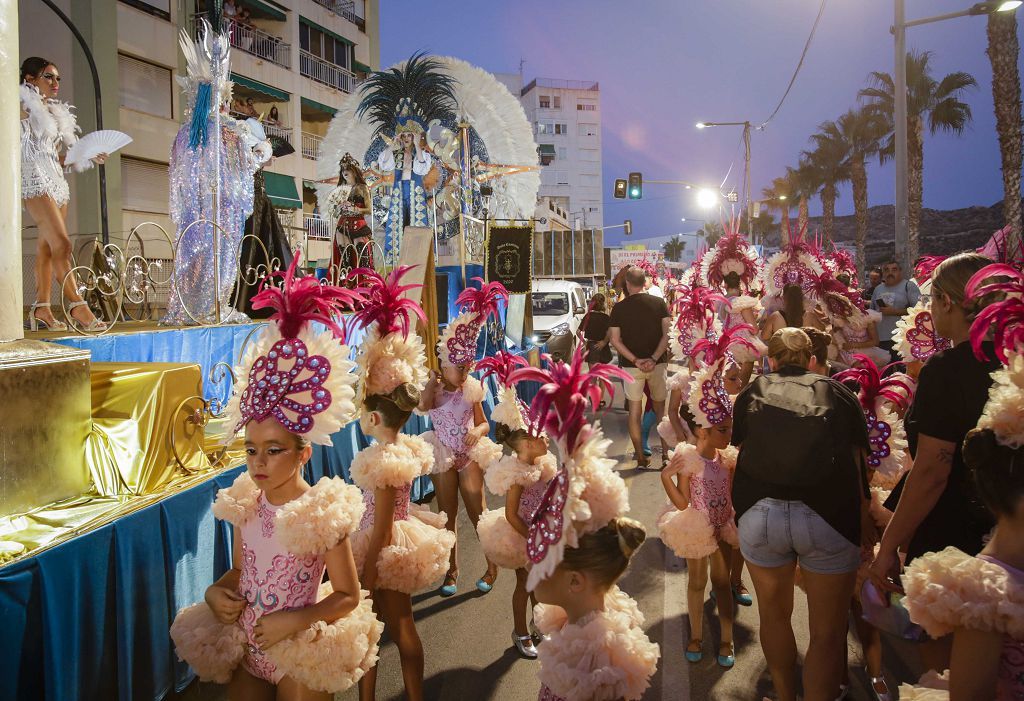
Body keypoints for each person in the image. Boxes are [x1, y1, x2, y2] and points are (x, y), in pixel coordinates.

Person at [169, 259, 382, 699]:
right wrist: (214, 592)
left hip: (299, 654)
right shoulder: (246, 502)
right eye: (250, 450)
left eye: (273, 450)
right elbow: (242, 571)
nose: (258, 462)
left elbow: (347, 595)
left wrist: (294, 620)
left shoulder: (320, 514)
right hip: (248, 647)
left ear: (303, 453)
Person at [868, 252, 1000, 672]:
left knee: (946, 669)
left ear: (947, 302)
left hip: (955, 537)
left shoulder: (948, 370)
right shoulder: (1012, 360)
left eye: (931, 299)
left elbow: (931, 472)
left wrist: (888, 548)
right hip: (1009, 532)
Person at [732, 327, 873, 701]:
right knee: (827, 633)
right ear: (811, 359)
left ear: (771, 360)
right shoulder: (839, 393)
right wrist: (866, 520)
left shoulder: (751, 392)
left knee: (774, 616)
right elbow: (860, 466)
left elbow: (742, 449)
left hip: (761, 514)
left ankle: (783, 694)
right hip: (828, 515)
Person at [515, 345, 659, 701]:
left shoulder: (592, 667)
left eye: (542, 560)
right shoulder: (578, 633)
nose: (532, 566)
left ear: (575, 581)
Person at [347, 267, 457, 701]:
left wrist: (371, 567)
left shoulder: (384, 460)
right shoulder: (406, 448)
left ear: (373, 416)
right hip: (392, 536)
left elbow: (382, 526)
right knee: (384, 630)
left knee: (393, 630)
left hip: (384, 545)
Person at [658, 327, 751, 668]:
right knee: (697, 583)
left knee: (722, 584)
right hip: (697, 526)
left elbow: (733, 495)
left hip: (723, 525)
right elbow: (683, 503)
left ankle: (726, 639)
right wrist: (665, 476)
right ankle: (696, 634)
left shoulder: (727, 459)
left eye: (729, 428)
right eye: (723, 430)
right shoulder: (688, 458)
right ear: (701, 431)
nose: (730, 435)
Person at [421, 281, 507, 597]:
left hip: (468, 456)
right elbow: (422, 406)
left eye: (463, 367)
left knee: (478, 515)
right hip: (443, 453)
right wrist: (432, 383)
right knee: (447, 517)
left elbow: (484, 425)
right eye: (452, 366)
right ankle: (451, 573)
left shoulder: (471, 388)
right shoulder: (433, 388)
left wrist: (476, 431)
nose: (459, 371)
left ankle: (492, 565)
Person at [20, 57, 108, 331]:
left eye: (58, 78)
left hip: (57, 181)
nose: (55, 83)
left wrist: (86, 154)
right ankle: (77, 306)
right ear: (30, 79)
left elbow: (53, 156)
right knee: (63, 246)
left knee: (46, 249)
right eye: (48, 77)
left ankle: (42, 309)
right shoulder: (20, 104)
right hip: (33, 179)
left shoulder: (53, 111)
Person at [475, 373, 555, 659]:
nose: (547, 437)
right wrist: (532, 537)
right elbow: (511, 515)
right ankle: (520, 631)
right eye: (542, 435)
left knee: (539, 582)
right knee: (525, 584)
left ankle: (538, 621)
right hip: (522, 533)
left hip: (540, 528)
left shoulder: (541, 463)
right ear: (527, 444)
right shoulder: (517, 473)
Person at [609, 266, 671, 469]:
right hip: (658, 363)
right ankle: (665, 457)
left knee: (634, 412)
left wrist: (635, 360)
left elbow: (616, 341)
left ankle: (641, 458)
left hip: (631, 367)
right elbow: (667, 334)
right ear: (645, 282)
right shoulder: (659, 303)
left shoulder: (619, 308)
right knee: (661, 410)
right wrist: (653, 358)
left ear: (627, 284)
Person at [326, 153, 374, 281]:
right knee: (344, 259)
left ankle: (365, 284)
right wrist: (339, 207)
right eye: (342, 170)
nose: (344, 172)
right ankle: (346, 284)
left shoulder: (363, 188)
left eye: (347, 169)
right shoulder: (341, 189)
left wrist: (355, 209)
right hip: (342, 225)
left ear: (354, 171)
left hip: (359, 225)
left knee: (362, 256)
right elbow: (335, 213)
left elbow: (369, 210)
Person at [871, 260, 922, 363]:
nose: (890, 273)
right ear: (883, 273)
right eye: (886, 270)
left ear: (900, 271)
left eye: (894, 270)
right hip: (881, 339)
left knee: (903, 372)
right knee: (885, 373)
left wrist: (894, 312)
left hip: (902, 339)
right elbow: (872, 312)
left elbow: (919, 311)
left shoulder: (909, 286)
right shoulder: (878, 289)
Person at [761, 283, 826, 341]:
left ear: (783, 298)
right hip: (804, 353)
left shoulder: (775, 316)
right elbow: (823, 330)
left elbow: (764, 337)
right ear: (802, 298)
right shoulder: (810, 316)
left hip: (781, 354)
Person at [580, 292, 612, 365]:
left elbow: (578, 332)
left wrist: (585, 342)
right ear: (603, 303)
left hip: (591, 346)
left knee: (593, 374)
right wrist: (604, 342)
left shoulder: (588, 316)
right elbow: (610, 332)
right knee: (602, 374)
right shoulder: (606, 317)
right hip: (603, 347)